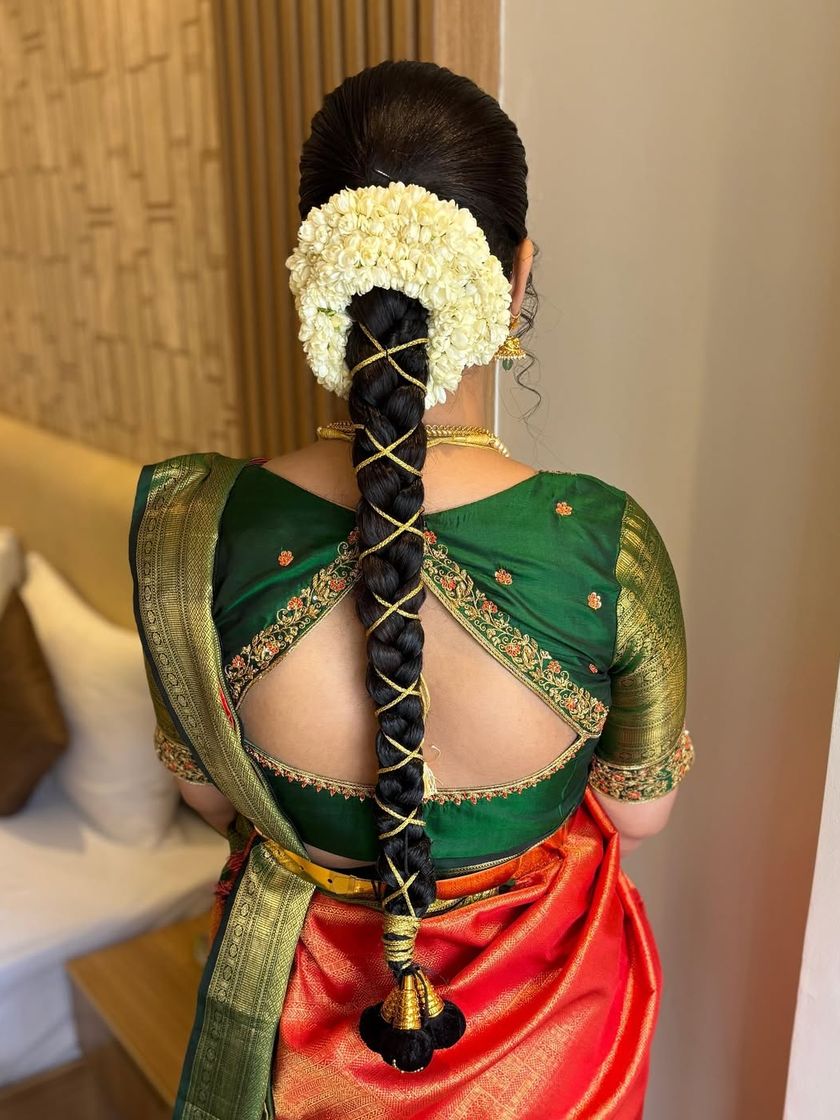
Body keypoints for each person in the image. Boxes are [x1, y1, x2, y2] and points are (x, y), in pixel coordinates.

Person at [130, 60, 694, 1120]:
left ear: (317, 274)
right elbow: (641, 807)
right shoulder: (606, 548)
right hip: (551, 1023)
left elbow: (207, 798)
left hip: (303, 1030)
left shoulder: (196, 536)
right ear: (517, 277)